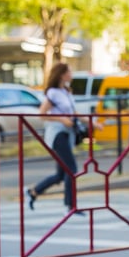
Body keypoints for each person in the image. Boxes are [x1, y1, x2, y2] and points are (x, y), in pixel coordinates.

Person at [25, 63, 99, 214]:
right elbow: (42, 113)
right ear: (61, 74)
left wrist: (92, 122)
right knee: (71, 169)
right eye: (69, 71)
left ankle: (33, 192)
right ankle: (71, 206)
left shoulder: (66, 91)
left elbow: (74, 112)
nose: (71, 73)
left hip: (68, 134)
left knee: (61, 174)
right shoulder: (52, 93)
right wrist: (61, 119)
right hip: (58, 135)